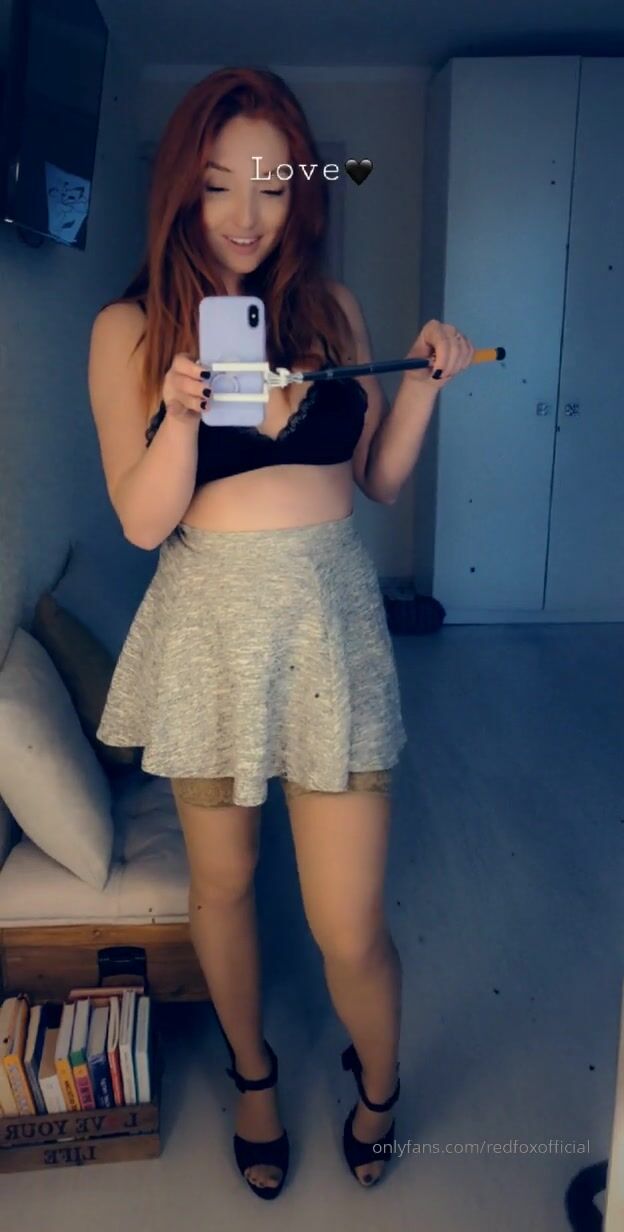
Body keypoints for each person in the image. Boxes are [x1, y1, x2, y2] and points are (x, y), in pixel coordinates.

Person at [88, 66, 472, 1199]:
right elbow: (143, 520)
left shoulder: (333, 312)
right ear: (181, 189)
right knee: (224, 885)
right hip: (211, 636)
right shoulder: (129, 328)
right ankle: (253, 1075)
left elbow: (377, 482)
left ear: (301, 191)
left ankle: (379, 1084)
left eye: (269, 184)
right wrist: (183, 411)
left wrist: (426, 385)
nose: (246, 214)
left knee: (348, 923)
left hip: (331, 631)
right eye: (218, 185)